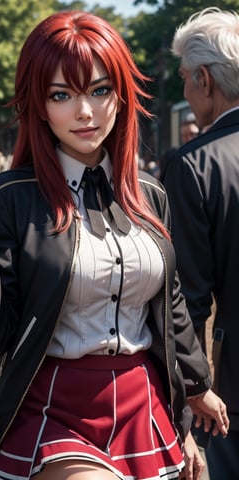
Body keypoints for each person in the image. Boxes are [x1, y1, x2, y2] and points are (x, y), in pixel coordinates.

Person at [0, 11, 228, 480]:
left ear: (120, 95)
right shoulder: (12, 198)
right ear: (39, 103)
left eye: (99, 90)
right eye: (62, 95)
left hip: (144, 399)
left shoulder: (148, 194)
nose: (85, 112)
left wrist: (196, 390)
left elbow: (169, 305)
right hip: (54, 404)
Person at [163, 7, 239, 479]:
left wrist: (185, 408)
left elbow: (185, 299)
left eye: (187, 80)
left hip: (234, 389)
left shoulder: (193, 166)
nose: (187, 92)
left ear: (205, 80)